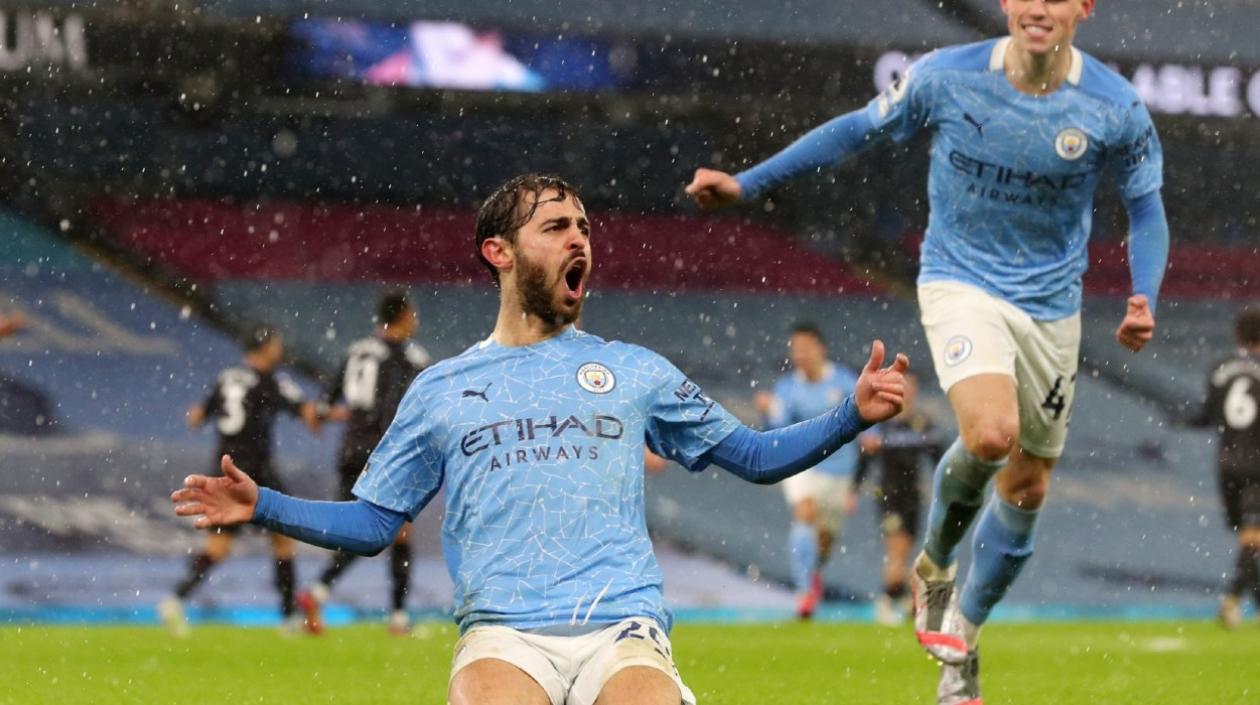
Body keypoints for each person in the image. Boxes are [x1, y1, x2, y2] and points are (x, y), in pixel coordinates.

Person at [172, 174, 909, 705]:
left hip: (622, 627)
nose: (579, 238)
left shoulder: (632, 369)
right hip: (503, 634)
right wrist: (263, 502)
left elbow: (752, 455)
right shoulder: (441, 389)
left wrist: (851, 413)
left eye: (585, 227)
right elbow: (371, 523)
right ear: (499, 251)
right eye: (557, 226)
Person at [685, 1, 1169, 701]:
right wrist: (749, 181)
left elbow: (1147, 205)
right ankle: (935, 565)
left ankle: (963, 640)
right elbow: (856, 130)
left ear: (1083, 7)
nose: (1038, 7)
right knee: (992, 432)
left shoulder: (1115, 106)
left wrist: (1143, 293)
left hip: (1053, 309)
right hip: (960, 282)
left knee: (1029, 485)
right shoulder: (945, 77)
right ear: (1006, 3)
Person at [159, 325, 320, 636]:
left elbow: (195, 417)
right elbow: (307, 411)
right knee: (283, 540)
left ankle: (175, 599)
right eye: (276, 343)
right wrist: (325, 414)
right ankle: (288, 619)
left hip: (225, 469)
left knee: (217, 547)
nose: (280, 348)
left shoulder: (228, 376)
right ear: (266, 348)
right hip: (255, 472)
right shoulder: (272, 380)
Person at [297, 292, 431, 636]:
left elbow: (322, 408)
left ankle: (319, 592)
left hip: (350, 451)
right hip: (383, 453)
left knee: (364, 530)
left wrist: (340, 415)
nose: (416, 318)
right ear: (403, 316)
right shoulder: (407, 357)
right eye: (412, 312)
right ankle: (397, 618)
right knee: (394, 532)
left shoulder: (357, 350)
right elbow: (404, 410)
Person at [755, 322, 866, 618]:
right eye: (796, 349)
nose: (800, 354)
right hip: (802, 464)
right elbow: (777, 430)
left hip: (840, 471)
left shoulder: (843, 382)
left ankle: (812, 572)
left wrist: (870, 439)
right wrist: (768, 410)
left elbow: (865, 420)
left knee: (825, 540)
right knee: (805, 512)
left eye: (805, 348)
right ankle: (804, 592)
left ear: (820, 349)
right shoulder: (787, 388)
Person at [852, 372, 947, 625]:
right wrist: (853, 489)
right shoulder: (881, 423)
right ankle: (887, 602)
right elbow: (864, 458)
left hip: (913, 496)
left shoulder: (922, 424)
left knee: (905, 553)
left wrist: (948, 486)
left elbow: (941, 458)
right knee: (898, 549)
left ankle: (906, 602)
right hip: (888, 495)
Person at [1190, 308, 1260, 629]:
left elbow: (1206, 415)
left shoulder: (1220, 368)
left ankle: (1238, 603)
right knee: (1253, 539)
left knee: (1249, 539)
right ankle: (1231, 601)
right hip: (1258, 464)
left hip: (1227, 463)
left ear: (1237, 336)